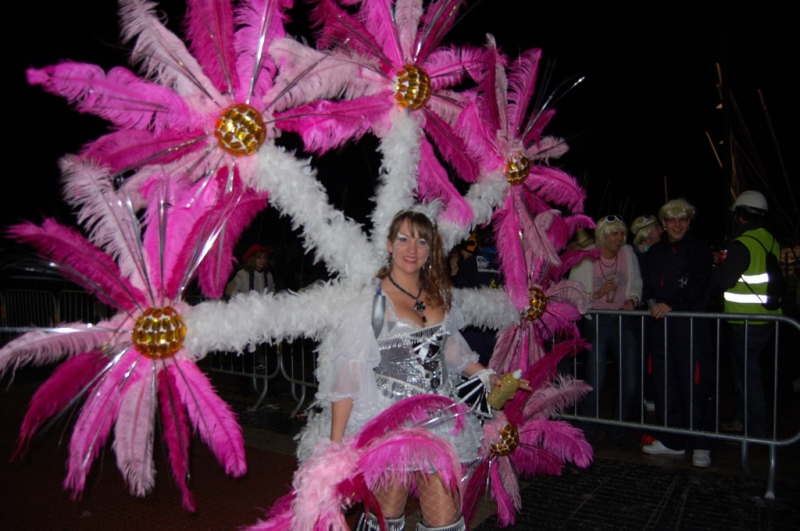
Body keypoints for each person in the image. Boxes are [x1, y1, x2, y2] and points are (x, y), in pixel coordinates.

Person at [310, 211, 529, 531]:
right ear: (389, 245)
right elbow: (348, 373)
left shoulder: (438, 297)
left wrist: (484, 374)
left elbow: (450, 347)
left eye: (421, 240)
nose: (412, 248)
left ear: (430, 249)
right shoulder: (370, 303)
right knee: (385, 518)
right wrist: (336, 445)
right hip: (391, 423)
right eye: (403, 238)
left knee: (445, 521)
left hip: (439, 421)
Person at [641, 199, 713, 467]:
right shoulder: (654, 253)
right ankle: (672, 440)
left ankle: (701, 443)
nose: (677, 225)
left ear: (689, 222)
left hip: (690, 328)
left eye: (682, 219)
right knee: (664, 383)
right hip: (661, 328)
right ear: (663, 224)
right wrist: (652, 306)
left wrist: (672, 305)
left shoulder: (700, 250)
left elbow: (699, 286)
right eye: (671, 220)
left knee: (693, 384)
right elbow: (648, 287)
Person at [711, 191, 780, 438]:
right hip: (768, 318)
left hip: (746, 320)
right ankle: (751, 424)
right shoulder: (770, 239)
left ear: (741, 214)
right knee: (754, 374)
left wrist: (713, 269)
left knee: (746, 377)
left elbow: (723, 281)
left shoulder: (742, 243)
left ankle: (751, 427)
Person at [569, 215, 642, 442]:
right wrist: (595, 296)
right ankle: (588, 431)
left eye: (622, 234)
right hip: (597, 321)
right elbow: (573, 293)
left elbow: (637, 284)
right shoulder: (587, 258)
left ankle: (618, 430)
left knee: (629, 379)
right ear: (602, 235)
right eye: (614, 233)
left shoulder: (628, 254)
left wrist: (633, 299)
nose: (619, 238)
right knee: (595, 379)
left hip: (622, 319)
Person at [630, 215, 664, 413]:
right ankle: (641, 397)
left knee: (655, 356)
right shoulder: (633, 256)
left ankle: (652, 394)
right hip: (640, 316)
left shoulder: (661, 253)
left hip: (655, 314)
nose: (661, 230)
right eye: (657, 227)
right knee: (639, 358)